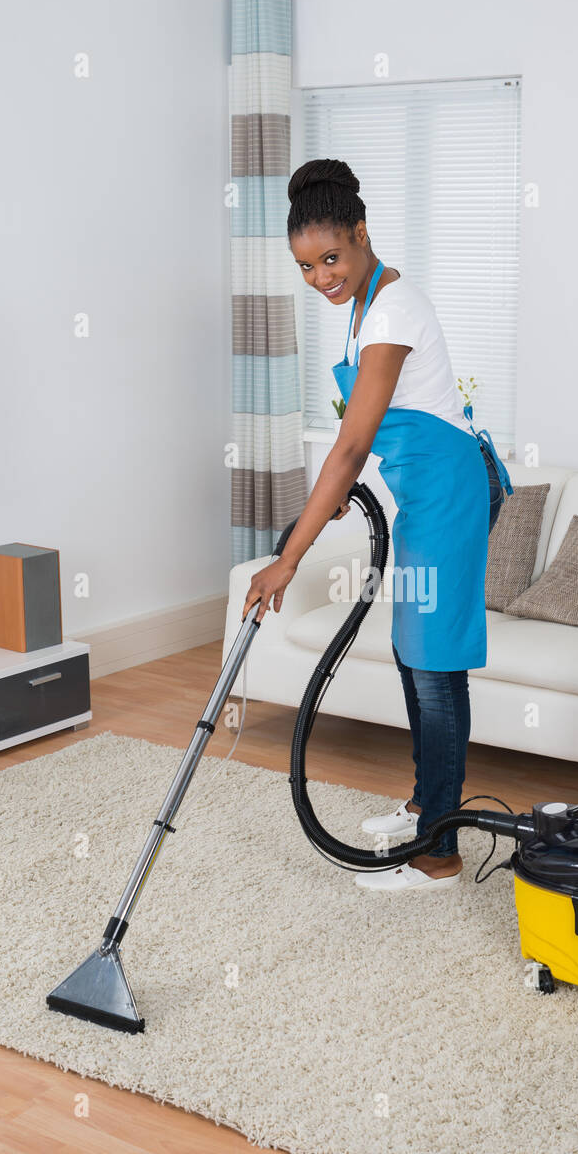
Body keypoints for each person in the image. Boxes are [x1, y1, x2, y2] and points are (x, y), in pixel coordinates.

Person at [242, 158, 511, 892]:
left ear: (362, 235)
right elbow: (377, 431)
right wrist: (340, 491)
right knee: (414, 657)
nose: (320, 277)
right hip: (423, 495)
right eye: (305, 266)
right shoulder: (365, 301)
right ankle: (429, 806)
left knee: (433, 668)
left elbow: (353, 442)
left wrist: (287, 559)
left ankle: (437, 854)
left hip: (449, 496)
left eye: (330, 257)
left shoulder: (391, 311)